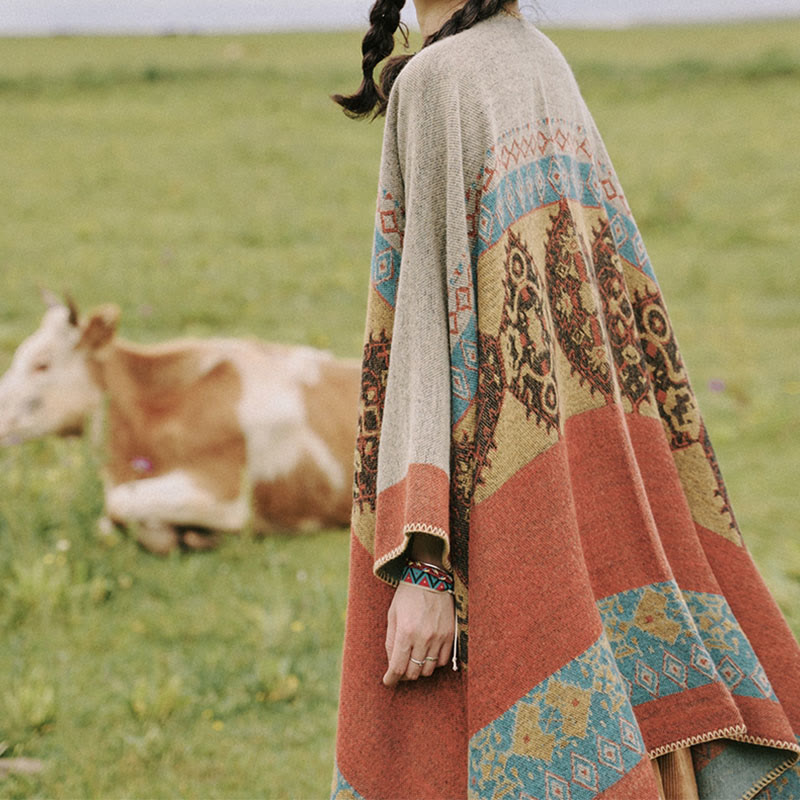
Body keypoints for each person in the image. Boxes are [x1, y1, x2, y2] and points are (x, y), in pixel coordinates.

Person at [330, 1, 800, 797]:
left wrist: (427, 567)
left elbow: (422, 330)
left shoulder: (439, 79)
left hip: (497, 500)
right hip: (587, 474)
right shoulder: (537, 55)